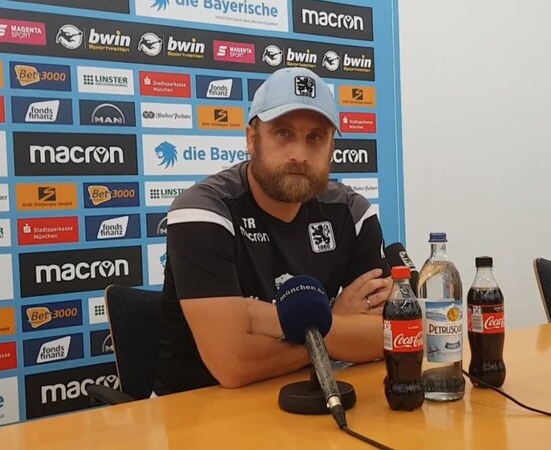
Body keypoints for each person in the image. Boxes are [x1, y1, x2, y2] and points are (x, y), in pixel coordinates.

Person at [153, 67, 391, 395]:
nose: (299, 155)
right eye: (283, 133)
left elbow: (387, 335)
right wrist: (334, 323)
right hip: (198, 409)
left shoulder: (353, 213)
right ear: (253, 139)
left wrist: (261, 318)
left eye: (316, 137)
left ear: (332, 145)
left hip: (313, 396)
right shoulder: (202, 211)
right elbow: (233, 364)